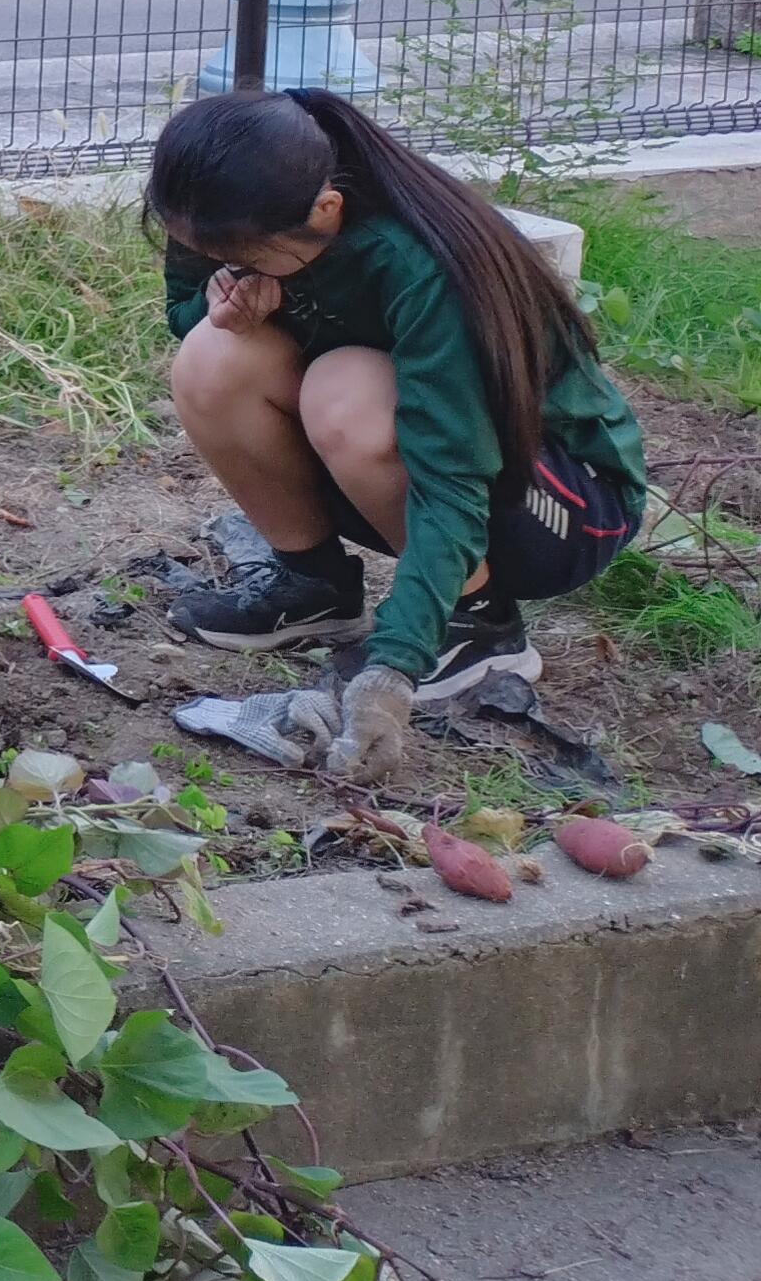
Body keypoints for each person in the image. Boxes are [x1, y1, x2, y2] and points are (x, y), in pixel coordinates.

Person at [151, 86, 646, 784]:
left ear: (326, 212)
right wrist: (220, 303)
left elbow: (451, 476)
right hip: (412, 464)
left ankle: (477, 625)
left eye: (248, 257)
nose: (223, 261)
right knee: (213, 356)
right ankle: (315, 587)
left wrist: (393, 666)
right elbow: (184, 309)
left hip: (563, 505)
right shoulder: (230, 201)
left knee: (344, 390)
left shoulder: (422, 264)